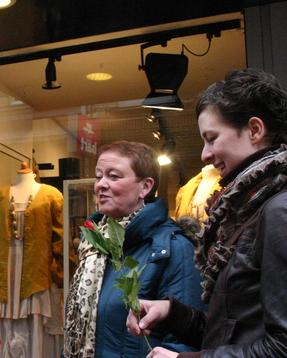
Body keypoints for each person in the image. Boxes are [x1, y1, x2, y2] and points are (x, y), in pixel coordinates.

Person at [126, 68, 287, 358]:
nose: (205, 154)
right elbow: (241, 330)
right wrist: (174, 314)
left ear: (254, 130)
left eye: (211, 138)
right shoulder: (259, 206)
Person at [64, 141, 204, 358]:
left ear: (145, 187)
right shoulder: (94, 247)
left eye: (114, 176)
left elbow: (184, 341)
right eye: (98, 176)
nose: (100, 184)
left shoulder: (172, 248)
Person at [0, 162, 65, 358]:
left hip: (39, 277)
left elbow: (60, 239)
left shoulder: (52, 195)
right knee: (5, 327)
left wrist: (58, 272)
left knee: (36, 327)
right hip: (5, 276)